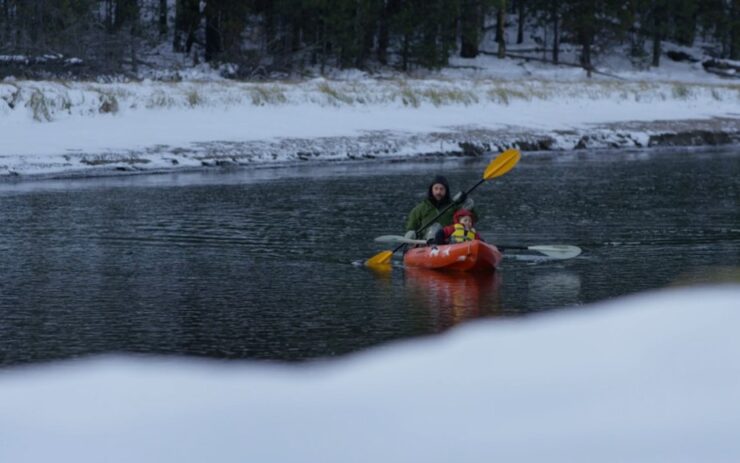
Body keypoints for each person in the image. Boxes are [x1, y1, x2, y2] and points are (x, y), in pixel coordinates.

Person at [404, 175, 477, 240]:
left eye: (441, 189)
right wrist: (411, 233)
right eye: (436, 188)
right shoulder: (419, 209)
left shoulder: (454, 206)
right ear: (431, 190)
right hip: (426, 244)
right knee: (434, 229)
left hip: (449, 243)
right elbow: (411, 227)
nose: (438, 192)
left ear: (446, 191)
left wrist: (467, 204)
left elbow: (473, 219)